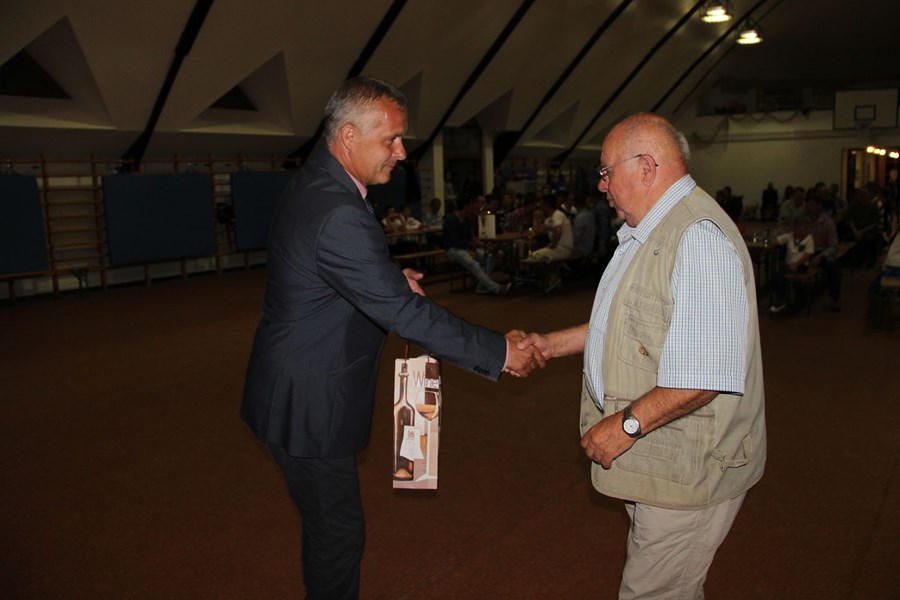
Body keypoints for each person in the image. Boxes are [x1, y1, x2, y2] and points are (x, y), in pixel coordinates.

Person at [240, 76, 542, 599]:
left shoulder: (318, 182)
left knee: (330, 527)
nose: (401, 153)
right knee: (337, 533)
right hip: (308, 401)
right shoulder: (337, 210)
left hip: (289, 383)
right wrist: (500, 351)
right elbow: (404, 313)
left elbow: (321, 269)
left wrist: (382, 280)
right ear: (349, 136)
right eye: (392, 140)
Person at [519, 113, 766, 599]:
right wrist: (552, 343)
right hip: (663, 459)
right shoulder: (650, 231)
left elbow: (703, 375)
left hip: (690, 469)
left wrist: (625, 426)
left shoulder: (695, 239)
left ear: (647, 168)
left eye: (607, 171)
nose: (602, 185)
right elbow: (628, 324)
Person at [443, 196, 511, 295]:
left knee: (492, 257)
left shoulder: (466, 220)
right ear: (465, 206)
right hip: (453, 249)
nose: (473, 207)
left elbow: (471, 238)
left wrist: (485, 246)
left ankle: (481, 285)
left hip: (467, 247)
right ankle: (496, 288)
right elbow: (454, 241)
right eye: (470, 205)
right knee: (474, 264)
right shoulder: (450, 221)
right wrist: (470, 247)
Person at [768, 215, 815, 314]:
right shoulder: (789, 236)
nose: (807, 230)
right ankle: (781, 298)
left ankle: (782, 300)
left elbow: (807, 255)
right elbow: (775, 241)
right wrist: (773, 240)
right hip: (788, 264)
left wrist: (796, 264)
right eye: (804, 227)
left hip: (801, 265)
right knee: (777, 275)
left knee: (781, 275)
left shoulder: (809, 239)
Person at [806, 197, 842, 311]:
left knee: (832, 264)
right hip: (806, 250)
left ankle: (834, 298)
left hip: (822, 251)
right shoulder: (804, 220)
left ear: (819, 207)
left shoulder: (827, 222)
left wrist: (820, 256)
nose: (809, 209)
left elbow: (833, 246)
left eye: (812, 206)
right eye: (808, 206)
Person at [528, 194, 574, 261]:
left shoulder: (557, 214)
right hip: (559, 248)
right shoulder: (550, 218)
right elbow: (538, 231)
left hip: (563, 248)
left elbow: (558, 231)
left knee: (533, 257)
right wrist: (535, 218)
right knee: (533, 256)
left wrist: (553, 244)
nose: (539, 206)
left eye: (541, 204)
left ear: (546, 205)